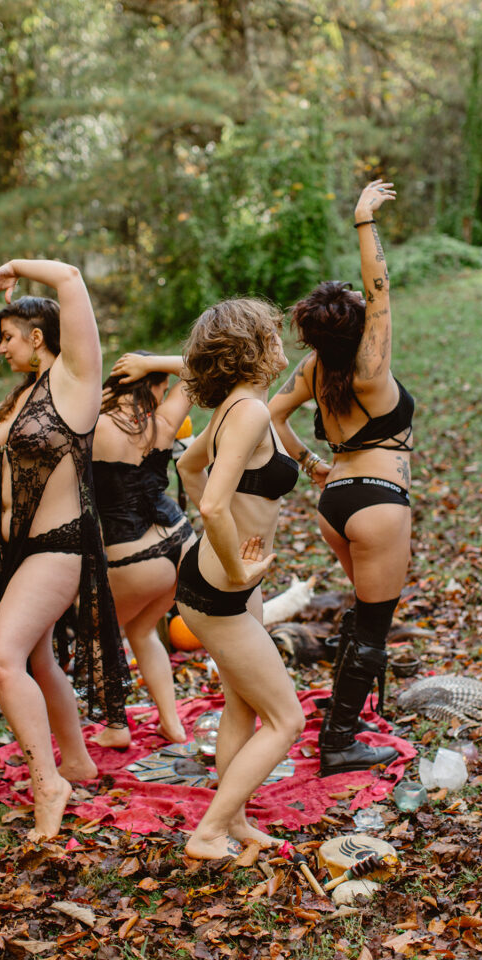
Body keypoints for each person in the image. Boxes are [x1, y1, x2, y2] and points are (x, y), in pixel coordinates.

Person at [0, 259, 130, 840]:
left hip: (60, 544)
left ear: (37, 337)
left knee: (0, 660)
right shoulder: (17, 397)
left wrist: (12, 269)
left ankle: (48, 781)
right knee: (37, 660)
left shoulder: (74, 383)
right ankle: (77, 761)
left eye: (7, 339)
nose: (1, 348)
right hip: (18, 553)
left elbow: (72, 279)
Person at [268, 180, 411, 776]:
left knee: (363, 614)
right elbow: (380, 287)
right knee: (374, 625)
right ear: (357, 325)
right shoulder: (369, 366)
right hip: (378, 503)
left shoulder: (316, 365)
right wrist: (363, 221)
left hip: (336, 502)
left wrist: (310, 464)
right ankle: (340, 742)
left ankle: (346, 718)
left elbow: (271, 416)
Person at [175, 299, 305, 860]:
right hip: (221, 588)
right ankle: (207, 832)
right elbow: (210, 504)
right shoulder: (247, 411)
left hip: (228, 585)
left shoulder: (236, 408)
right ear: (250, 348)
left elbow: (187, 465)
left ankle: (237, 823)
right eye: (272, 333)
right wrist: (234, 566)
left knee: (243, 705)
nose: (282, 341)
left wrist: (236, 569)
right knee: (287, 719)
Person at [91, 351, 196, 747]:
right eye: (162, 387)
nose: (165, 394)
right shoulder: (163, 422)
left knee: (99, 633)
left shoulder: (92, 426)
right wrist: (157, 364)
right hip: (181, 542)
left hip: (134, 556)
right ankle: (171, 723)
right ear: (146, 384)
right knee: (140, 628)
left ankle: (116, 726)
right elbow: (196, 365)